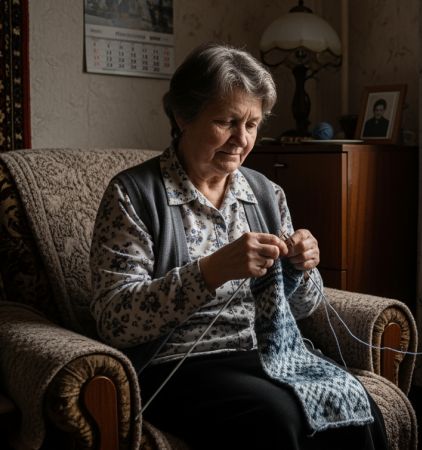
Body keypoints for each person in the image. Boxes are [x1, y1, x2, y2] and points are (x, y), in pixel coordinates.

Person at [89, 43, 387, 450]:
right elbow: (114, 320)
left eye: (252, 124)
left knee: (356, 406)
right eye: (227, 121)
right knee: (279, 419)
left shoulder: (266, 193)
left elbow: (305, 307)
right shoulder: (133, 194)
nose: (241, 139)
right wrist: (211, 270)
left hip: (270, 351)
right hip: (175, 366)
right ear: (182, 115)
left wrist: (303, 269)